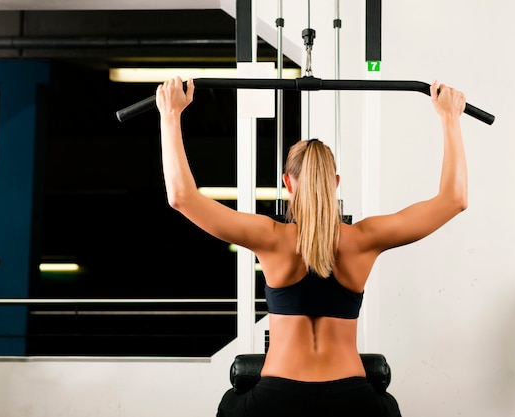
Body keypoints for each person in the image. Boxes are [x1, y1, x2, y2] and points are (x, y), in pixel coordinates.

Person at [155, 77, 467, 417]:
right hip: (353, 401)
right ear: (334, 183)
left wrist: (171, 115)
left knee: (231, 406)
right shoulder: (365, 238)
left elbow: (181, 197)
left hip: (275, 400)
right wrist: (449, 118)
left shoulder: (270, 237)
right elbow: (454, 200)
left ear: (287, 183)